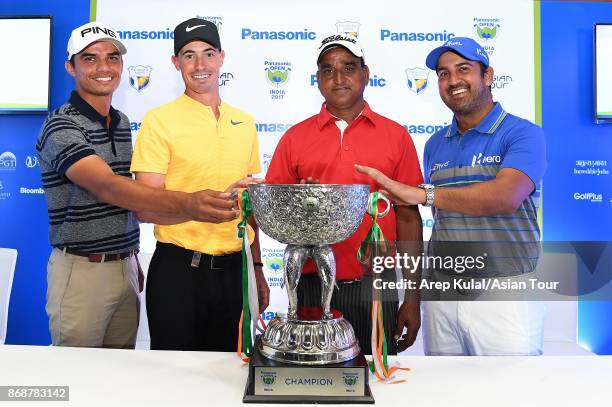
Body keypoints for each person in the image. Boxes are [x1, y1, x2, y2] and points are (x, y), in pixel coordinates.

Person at [37, 22, 240, 348]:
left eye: (112, 58)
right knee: (78, 380)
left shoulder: (119, 122)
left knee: (121, 380)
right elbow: (109, 187)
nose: (104, 67)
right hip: (82, 272)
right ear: (70, 66)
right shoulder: (61, 124)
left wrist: (129, 259)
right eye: (89, 59)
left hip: (125, 267)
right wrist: (191, 203)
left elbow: (129, 202)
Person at [356, 37, 547, 356]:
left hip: (504, 295)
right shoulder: (435, 145)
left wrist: (422, 194)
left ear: (487, 76)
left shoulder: (522, 133)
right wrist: (414, 297)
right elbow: (442, 218)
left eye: (463, 69)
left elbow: (506, 196)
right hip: (442, 293)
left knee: (512, 394)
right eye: (443, 74)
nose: (453, 80)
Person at [265, 34, 423, 354]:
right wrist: (302, 206)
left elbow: (408, 217)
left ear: (366, 74)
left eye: (348, 68)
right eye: (327, 70)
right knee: (311, 388)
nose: (338, 78)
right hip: (311, 285)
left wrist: (413, 298)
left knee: (376, 387)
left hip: (375, 287)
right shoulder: (294, 138)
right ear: (318, 79)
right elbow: (276, 214)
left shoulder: (396, 136)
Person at [131, 18, 269, 351]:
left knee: (228, 377)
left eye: (208, 53)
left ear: (222, 57)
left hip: (235, 272)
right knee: (174, 380)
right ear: (175, 63)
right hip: (179, 271)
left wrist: (259, 267)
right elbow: (146, 208)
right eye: (188, 55)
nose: (199, 65)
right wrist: (197, 205)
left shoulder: (245, 122)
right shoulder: (159, 120)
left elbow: (250, 207)